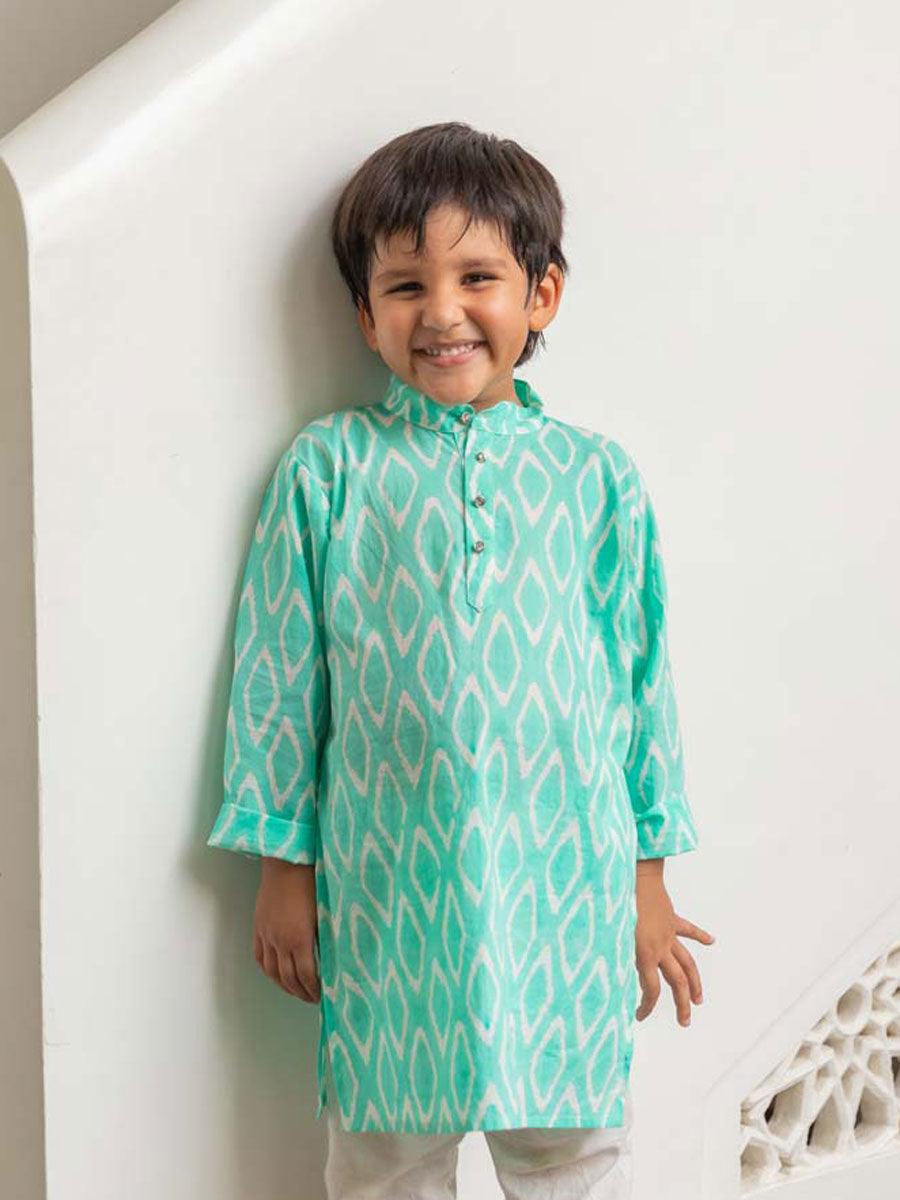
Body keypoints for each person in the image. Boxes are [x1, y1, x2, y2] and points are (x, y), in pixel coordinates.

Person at [206, 120, 715, 1199]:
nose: (441, 312)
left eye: (477, 277)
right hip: (391, 886)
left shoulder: (596, 478)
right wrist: (283, 871)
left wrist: (648, 880)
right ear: (365, 314)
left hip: (564, 886)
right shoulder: (330, 470)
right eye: (405, 286)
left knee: (574, 1153)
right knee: (386, 1154)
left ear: (542, 295)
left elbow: (641, 684)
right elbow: (280, 677)